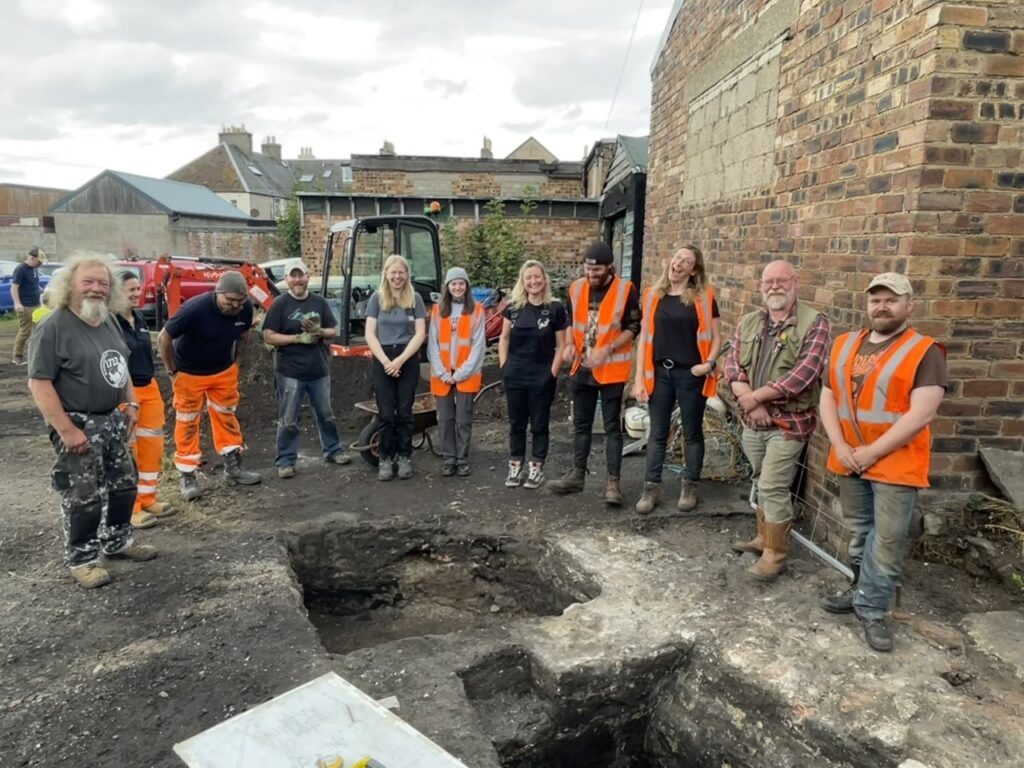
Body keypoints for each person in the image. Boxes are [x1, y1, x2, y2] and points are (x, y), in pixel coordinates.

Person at [819, 272, 946, 652]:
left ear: (909, 305)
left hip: (894, 461)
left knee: (888, 539)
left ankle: (873, 610)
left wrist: (872, 452)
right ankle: (859, 590)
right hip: (849, 457)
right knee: (860, 530)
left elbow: (921, 414)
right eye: (876, 299)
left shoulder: (925, 351)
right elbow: (828, 396)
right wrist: (839, 444)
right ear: (867, 304)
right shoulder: (844, 345)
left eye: (892, 299)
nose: (882, 306)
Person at [27, 253, 157, 589]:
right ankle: (82, 558)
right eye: (88, 282)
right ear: (70, 285)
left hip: (112, 419)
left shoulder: (108, 320)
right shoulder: (53, 327)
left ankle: (118, 541)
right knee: (83, 495)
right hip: (77, 421)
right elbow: (39, 383)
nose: (96, 289)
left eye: (103, 283)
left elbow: (119, 365)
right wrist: (67, 430)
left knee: (124, 484)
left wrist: (130, 401)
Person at [723, 260, 830, 580]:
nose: (774, 287)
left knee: (773, 485)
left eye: (781, 281)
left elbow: (804, 375)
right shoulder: (749, 322)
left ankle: (775, 553)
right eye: (768, 281)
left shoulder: (815, 322)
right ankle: (763, 537)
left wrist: (757, 398)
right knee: (759, 479)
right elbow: (731, 368)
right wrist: (750, 402)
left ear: (795, 282)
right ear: (761, 286)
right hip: (753, 421)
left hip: (789, 424)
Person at [548, 241, 640, 505]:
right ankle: (577, 475)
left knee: (612, 427)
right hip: (581, 367)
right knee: (581, 425)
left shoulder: (625, 290)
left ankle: (613, 483)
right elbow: (568, 321)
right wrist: (567, 347)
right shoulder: (576, 288)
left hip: (611, 369)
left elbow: (633, 326)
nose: (590, 275)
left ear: (609, 268)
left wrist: (607, 350)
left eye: (596, 270)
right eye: (587, 269)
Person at [631, 245, 722, 515]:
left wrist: (708, 364)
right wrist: (638, 380)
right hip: (660, 373)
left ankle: (690, 484)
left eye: (687, 261)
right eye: (677, 258)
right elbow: (644, 340)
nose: (679, 263)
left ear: (694, 270)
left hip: (690, 374)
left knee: (692, 433)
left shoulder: (704, 297)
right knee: (657, 433)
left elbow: (717, 337)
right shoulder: (651, 296)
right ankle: (651, 488)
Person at [157, 271, 261, 501]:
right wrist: (172, 371)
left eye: (239, 301)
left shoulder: (245, 309)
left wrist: (237, 364)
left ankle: (233, 468)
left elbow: (244, 335)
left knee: (227, 416)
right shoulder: (195, 309)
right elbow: (164, 338)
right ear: (218, 293)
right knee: (187, 422)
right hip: (189, 372)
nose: (234, 305)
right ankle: (187, 475)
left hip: (223, 371)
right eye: (229, 300)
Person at [262, 261, 350, 478]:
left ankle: (333, 450)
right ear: (287, 279)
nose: (298, 280)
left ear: (308, 276)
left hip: (318, 370)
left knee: (326, 415)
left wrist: (320, 332)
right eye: (293, 276)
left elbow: (334, 330)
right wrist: (297, 338)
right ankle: (286, 460)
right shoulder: (280, 304)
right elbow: (268, 335)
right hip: (289, 372)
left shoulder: (319, 302)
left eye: (301, 275)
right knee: (289, 418)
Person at [499, 259, 567, 489]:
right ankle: (515, 465)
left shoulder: (556, 308)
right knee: (517, 423)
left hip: (542, 373)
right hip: (515, 372)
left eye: (537, 277)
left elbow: (562, 345)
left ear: (544, 279)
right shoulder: (513, 308)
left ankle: (536, 468)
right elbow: (504, 338)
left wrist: (552, 373)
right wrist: (504, 366)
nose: (533, 281)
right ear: (523, 281)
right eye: (528, 278)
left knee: (539, 423)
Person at [117, 272, 177, 529]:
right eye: (130, 289)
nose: (136, 293)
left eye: (138, 288)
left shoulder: (139, 318)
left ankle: (148, 498)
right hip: (124, 393)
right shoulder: (109, 322)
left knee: (152, 448)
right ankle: (130, 509)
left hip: (149, 388)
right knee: (128, 452)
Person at [365, 254, 426, 481]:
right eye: (393, 272)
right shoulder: (376, 299)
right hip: (383, 358)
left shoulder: (415, 299)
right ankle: (386, 458)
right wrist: (386, 362)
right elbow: (370, 334)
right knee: (386, 413)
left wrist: (400, 361)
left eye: (401, 272)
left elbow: (420, 333)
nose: (397, 277)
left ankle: (404, 457)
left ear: (407, 275)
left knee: (405, 411)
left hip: (407, 358)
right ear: (386, 274)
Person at [427, 267, 486, 477]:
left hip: (466, 374)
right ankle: (448, 458)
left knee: (463, 418)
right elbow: (432, 346)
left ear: (467, 286)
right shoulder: (437, 311)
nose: (458, 287)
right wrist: (443, 373)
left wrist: (460, 373)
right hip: (442, 373)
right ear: (447, 287)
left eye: (461, 283)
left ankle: (462, 458)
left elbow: (478, 347)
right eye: (453, 284)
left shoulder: (477, 310)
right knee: (445, 419)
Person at [12, 246, 43, 365]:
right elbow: (14, 287)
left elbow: (34, 285)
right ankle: (17, 356)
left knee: (39, 329)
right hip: (25, 306)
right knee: (25, 331)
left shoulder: (34, 269)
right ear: (31, 257)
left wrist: (41, 291)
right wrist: (17, 303)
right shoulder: (21, 269)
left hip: (36, 304)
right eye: (38, 261)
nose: (40, 263)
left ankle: (35, 353)